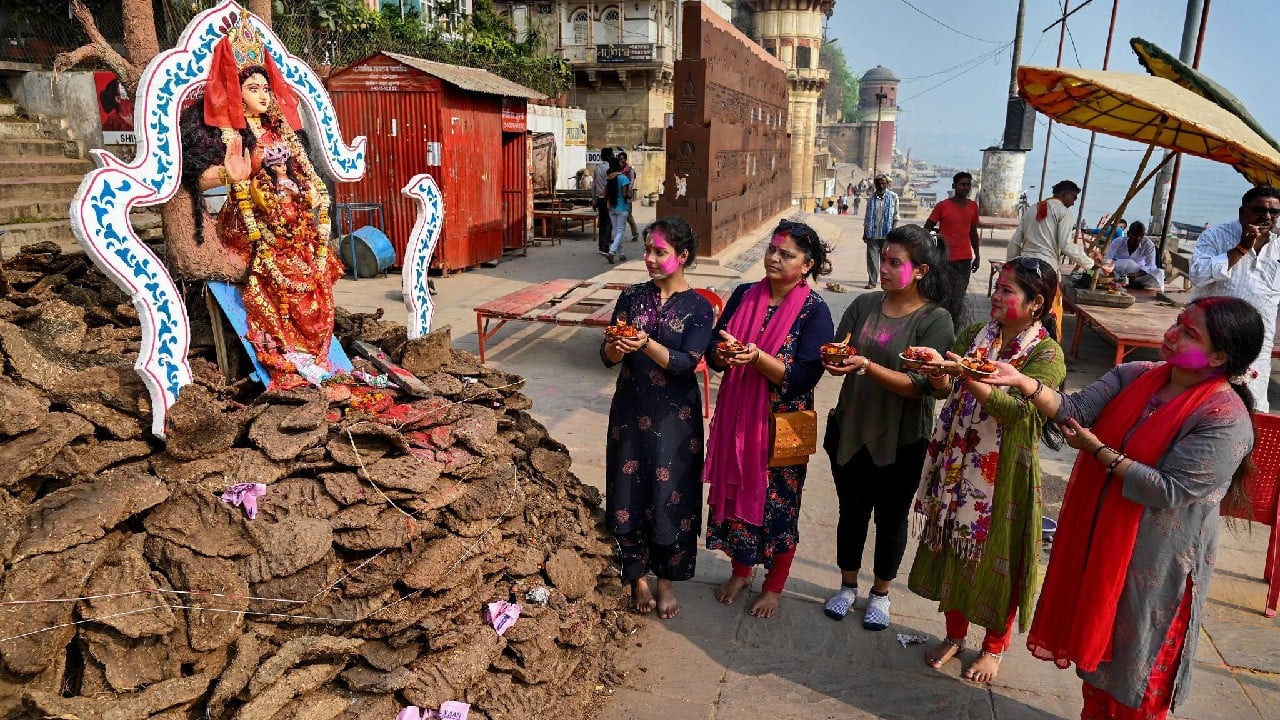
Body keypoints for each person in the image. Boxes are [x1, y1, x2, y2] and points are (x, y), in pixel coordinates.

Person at [981, 296, 1263, 720]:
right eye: (1177, 322)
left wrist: (1099, 452)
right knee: (1098, 669)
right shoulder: (1137, 374)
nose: (1170, 335)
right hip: (1104, 546)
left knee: (1138, 678)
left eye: (1189, 333)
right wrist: (1022, 382)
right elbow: (1074, 410)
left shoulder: (1226, 417)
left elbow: (1169, 490)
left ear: (1219, 356)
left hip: (1157, 566)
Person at [905, 256, 1067, 683]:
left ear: (1036, 304)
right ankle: (955, 633)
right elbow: (943, 388)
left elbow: (1020, 414)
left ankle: (994, 647)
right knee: (953, 548)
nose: (995, 296)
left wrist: (966, 374)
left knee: (1000, 559)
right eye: (996, 287)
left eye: (1007, 291)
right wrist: (936, 370)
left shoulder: (1047, 353)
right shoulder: (978, 335)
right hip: (958, 465)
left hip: (1005, 475)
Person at [179, 17, 342, 386]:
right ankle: (291, 352)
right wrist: (229, 175)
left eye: (266, 88)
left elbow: (303, 172)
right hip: (254, 220)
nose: (264, 95)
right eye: (253, 88)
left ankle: (311, 352)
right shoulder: (228, 135)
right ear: (237, 93)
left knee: (317, 271)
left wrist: (312, 190)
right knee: (280, 279)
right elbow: (197, 177)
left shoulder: (278, 130)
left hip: (293, 217)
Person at [820, 225, 957, 630]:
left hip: (902, 438)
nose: (884, 268)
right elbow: (839, 350)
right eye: (883, 259)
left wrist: (865, 365)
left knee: (892, 518)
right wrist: (835, 361)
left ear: (920, 271)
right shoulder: (863, 305)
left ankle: (880, 592)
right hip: (852, 425)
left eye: (895, 263)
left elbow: (922, 389)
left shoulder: (935, 319)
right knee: (851, 511)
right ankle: (847, 585)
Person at [703, 220, 834, 619]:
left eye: (787, 254)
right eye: (772, 250)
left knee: (780, 505)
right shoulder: (744, 294)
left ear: (807, 265)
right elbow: (715, 346)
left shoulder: (815, 311)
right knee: (733, 493)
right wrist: (721, 356)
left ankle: (775, 585)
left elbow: (805, 376)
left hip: (780, 428)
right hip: (737, 418)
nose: (774, 258)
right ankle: (740, 570)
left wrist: (758, 358)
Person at [601, 216, 715, 620]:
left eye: (659, 252)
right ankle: (637, 577)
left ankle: (665, 581)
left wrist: (645, 342)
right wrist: (616, 346)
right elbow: (607, 358)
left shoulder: (700, 306)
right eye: (647, 250)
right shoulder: (632, 297)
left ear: (682, 256)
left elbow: (685, 363)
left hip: (675, 419)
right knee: (627, 489)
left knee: (672, 498)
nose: (649, 258)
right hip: (630, 410)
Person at [1189, 185, 1280, 413]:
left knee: (1248, 410)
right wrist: (1241, 248)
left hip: (1256, 347)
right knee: (1197, 408)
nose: (1267, 217)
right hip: (1209, 339)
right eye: (1259, 210)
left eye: (1275, 213)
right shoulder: (1216, 236)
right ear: (1243, 212)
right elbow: (1198, 274)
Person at [1006, 179, 1094, 338]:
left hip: (1024, 268)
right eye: (1074, 198)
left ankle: (1016, 343)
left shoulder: (1032, 209)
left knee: (1024, 308)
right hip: (1047, 272)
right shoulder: (1064, 213)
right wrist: (1090, 263)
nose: (1073, 203)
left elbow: (1015, 242)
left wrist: (1010, 267)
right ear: (1065, 194)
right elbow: (1066, 244)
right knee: (1051, 313)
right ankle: (1050, 349)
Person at [925, 171, 982, 329]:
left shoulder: (972, 207)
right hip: (944, 259)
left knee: (958, 298)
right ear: (954, 186)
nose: (965, 188)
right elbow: (927, 227)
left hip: (964, 259)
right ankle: (937, 327)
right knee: (942, 295)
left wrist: (977, 255)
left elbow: (973, 232)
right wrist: (935, 241)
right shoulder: (942, 206)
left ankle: (953, 329)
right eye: (962, 184)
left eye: (968, 185)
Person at [863, 174, 900, 289]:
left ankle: (886, 281)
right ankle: (872, 281)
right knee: (872, 258)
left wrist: (893, 233)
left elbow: (896, 216)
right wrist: (865, 232)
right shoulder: (871, 198)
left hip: (887, 234)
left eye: (883, 183)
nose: (881, 185)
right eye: (878, 183)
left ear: (887, 184)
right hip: (872, 233)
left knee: (886, 260)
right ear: (875, 184)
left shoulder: (893, 197)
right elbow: (867, 217)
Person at [1104, 220, 1164, 290]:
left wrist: (1137, 274)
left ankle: (1132, 283)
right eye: (1135, 235)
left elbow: (1151, 266)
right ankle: (1124, 281)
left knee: (1159, 274)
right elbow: (1107, 258)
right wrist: (1110, 270)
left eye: (1141, 235)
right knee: (1101, 269)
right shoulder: (1118, 241)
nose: (1138, 238)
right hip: (1118, 270)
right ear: (1128, 234)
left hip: (1137, 272)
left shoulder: (1148, 244)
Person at [604, 156, 632, 264]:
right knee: (620, 231)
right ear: (617, 165)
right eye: (620, 162)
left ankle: (622, 254)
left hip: (611, 208)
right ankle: (611, 251)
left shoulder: (609, 178)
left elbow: (605, 194)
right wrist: (629, 195)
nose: (622, 163)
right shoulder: (623, 178)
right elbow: (625, 194)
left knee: (616, 231)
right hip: (622, 208)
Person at [593, 147, 616, 255]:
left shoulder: (597, 168)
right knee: (608, 222)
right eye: (611, 155)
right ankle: (605, 246)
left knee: (602, 222)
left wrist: (594, 200)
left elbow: (593, 185)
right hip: (608, 198)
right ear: (608, 156)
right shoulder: (611, 169)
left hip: (599, 198)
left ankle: (601, 245)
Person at [618, 150, 640, 242]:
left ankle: (635, 234)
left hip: (626, 196)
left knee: (628, 217)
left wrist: (626, 191)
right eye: (619, 159)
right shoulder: (618, 170)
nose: (620, 161)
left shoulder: (630, 170)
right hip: (619, 196)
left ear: (625, 160)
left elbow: (631, 182)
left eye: (622, 159)